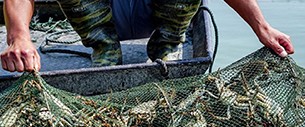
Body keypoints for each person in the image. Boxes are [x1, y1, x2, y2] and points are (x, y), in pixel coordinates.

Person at [1, 0, 294, 73]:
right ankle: (105, 51)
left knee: (169, 43)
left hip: (156, 15)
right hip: (97, 16)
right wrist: (18, 37)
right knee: (104, 46)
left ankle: (167, 45)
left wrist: (261, 26)